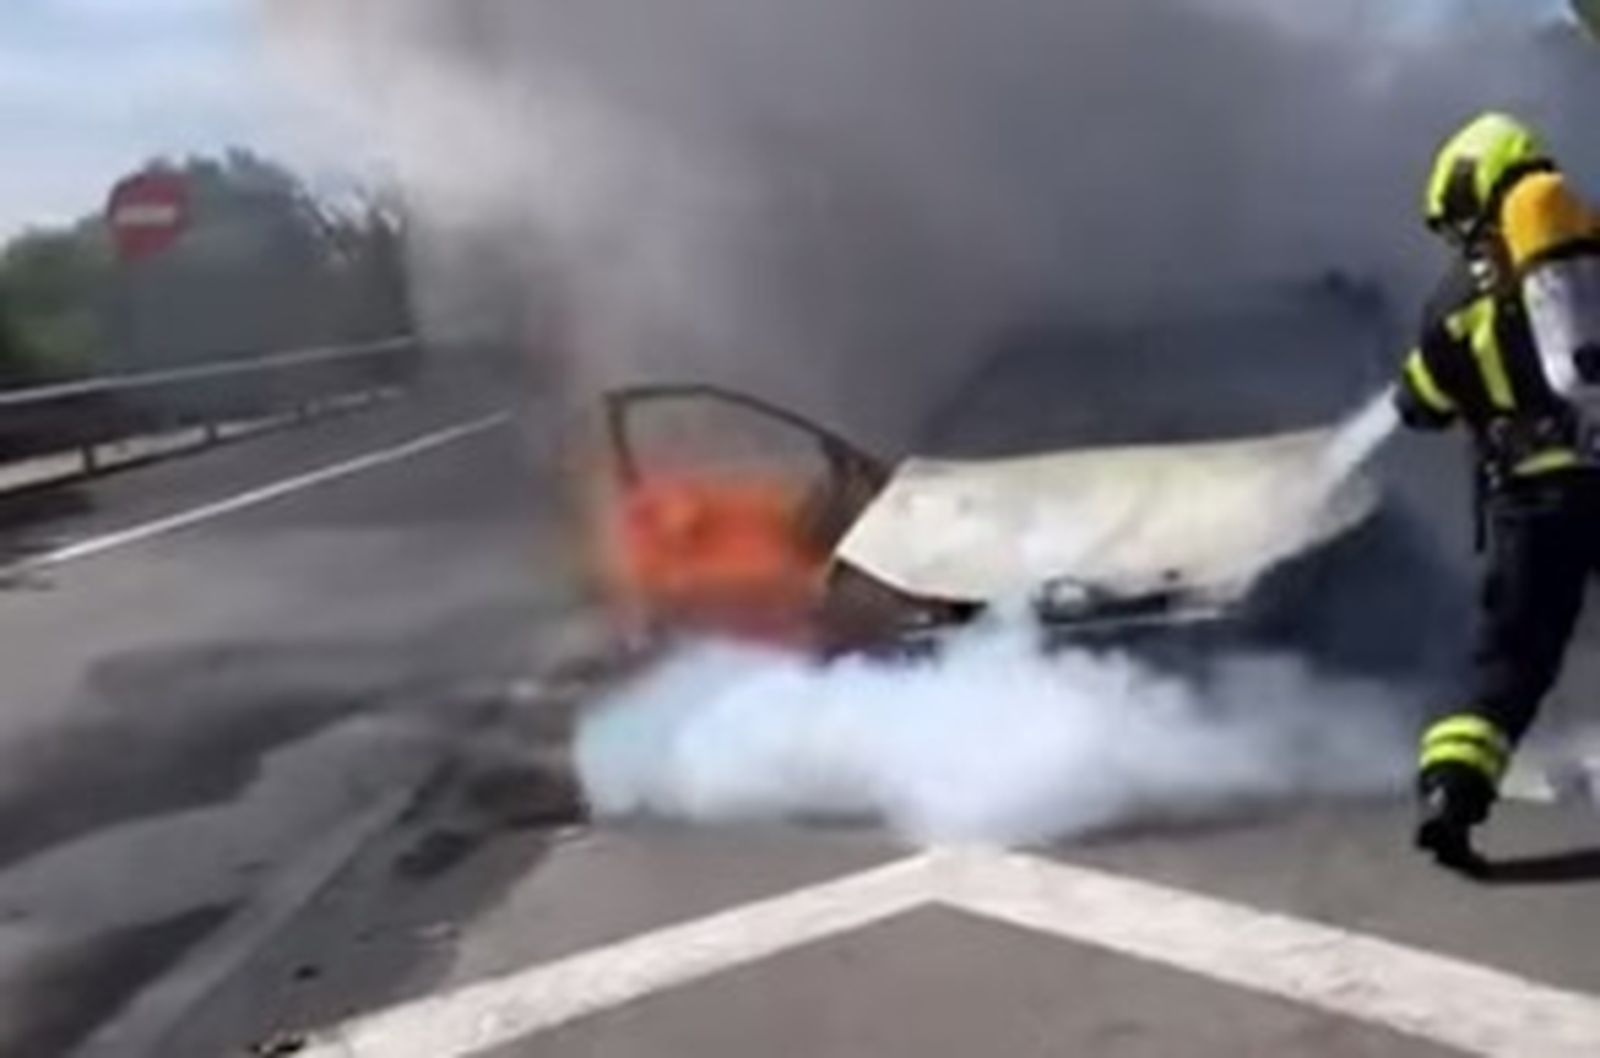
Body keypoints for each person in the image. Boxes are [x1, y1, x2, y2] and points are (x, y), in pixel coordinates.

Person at [1395, 111, 1600, 875]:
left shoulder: (1448, 304)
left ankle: (1451, 795)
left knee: (1506, 661)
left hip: (1528, 506)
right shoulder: (1572, 228)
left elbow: (1420, 404)